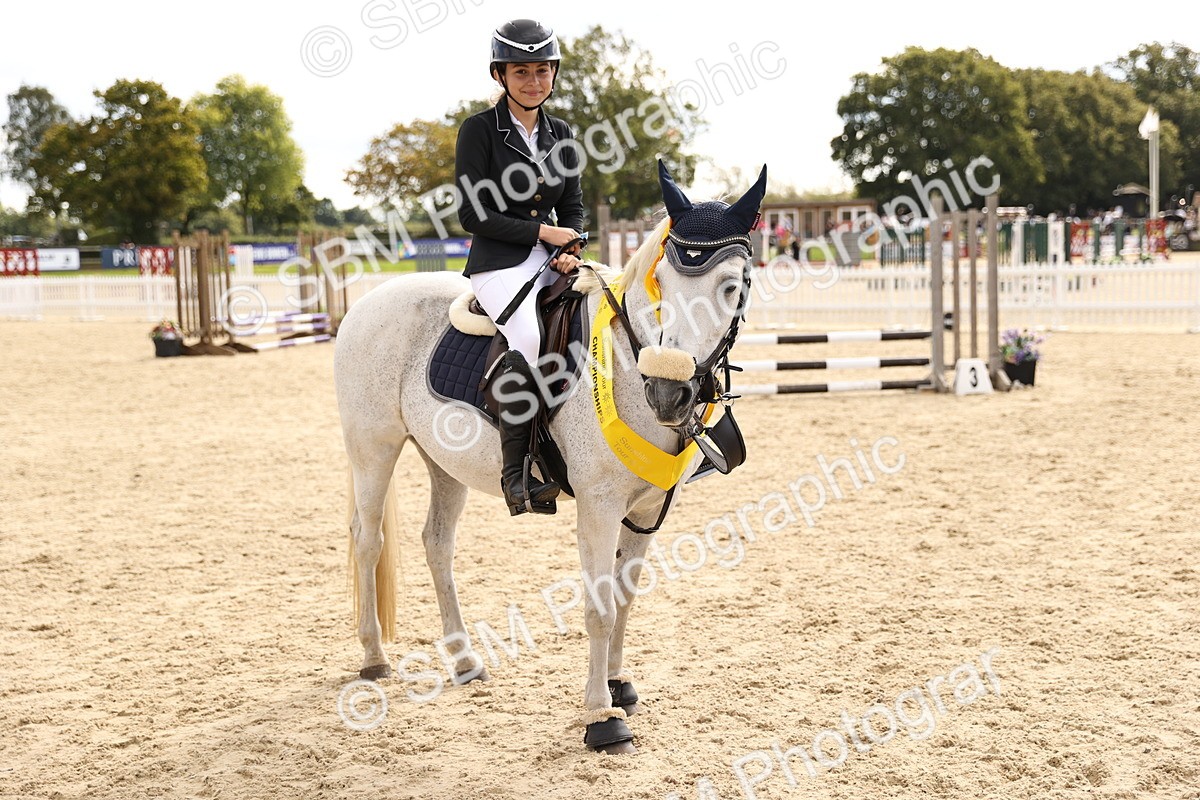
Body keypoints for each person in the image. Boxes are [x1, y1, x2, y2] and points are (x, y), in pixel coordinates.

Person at [455, 19, 585, 517]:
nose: (533, 80)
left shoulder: (564, 135)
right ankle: (518, 473)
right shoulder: (479, 131)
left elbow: (571, 205)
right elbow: (473, 214)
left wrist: (570, 242)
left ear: (553, 73)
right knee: (530, 339)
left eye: (541, 70)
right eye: (521, 71)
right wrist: (543, 234)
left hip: (552, 256)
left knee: (608, 310)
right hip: (498, 263)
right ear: (501, 75)